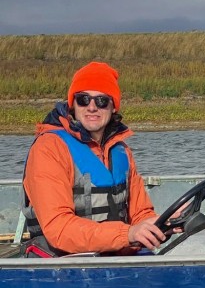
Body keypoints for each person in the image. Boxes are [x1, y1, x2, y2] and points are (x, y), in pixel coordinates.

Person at [21, 61, 170, 255]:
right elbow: (59, 229)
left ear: (113, 106)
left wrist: (162, 222)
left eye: (101, 101)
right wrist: (128, 234)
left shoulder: (121, 151)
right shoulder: (49, 148)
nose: (92, 107)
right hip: (63, 265)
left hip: (114, 256)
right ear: (72, 104)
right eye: (83, 99)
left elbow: (140, 213)